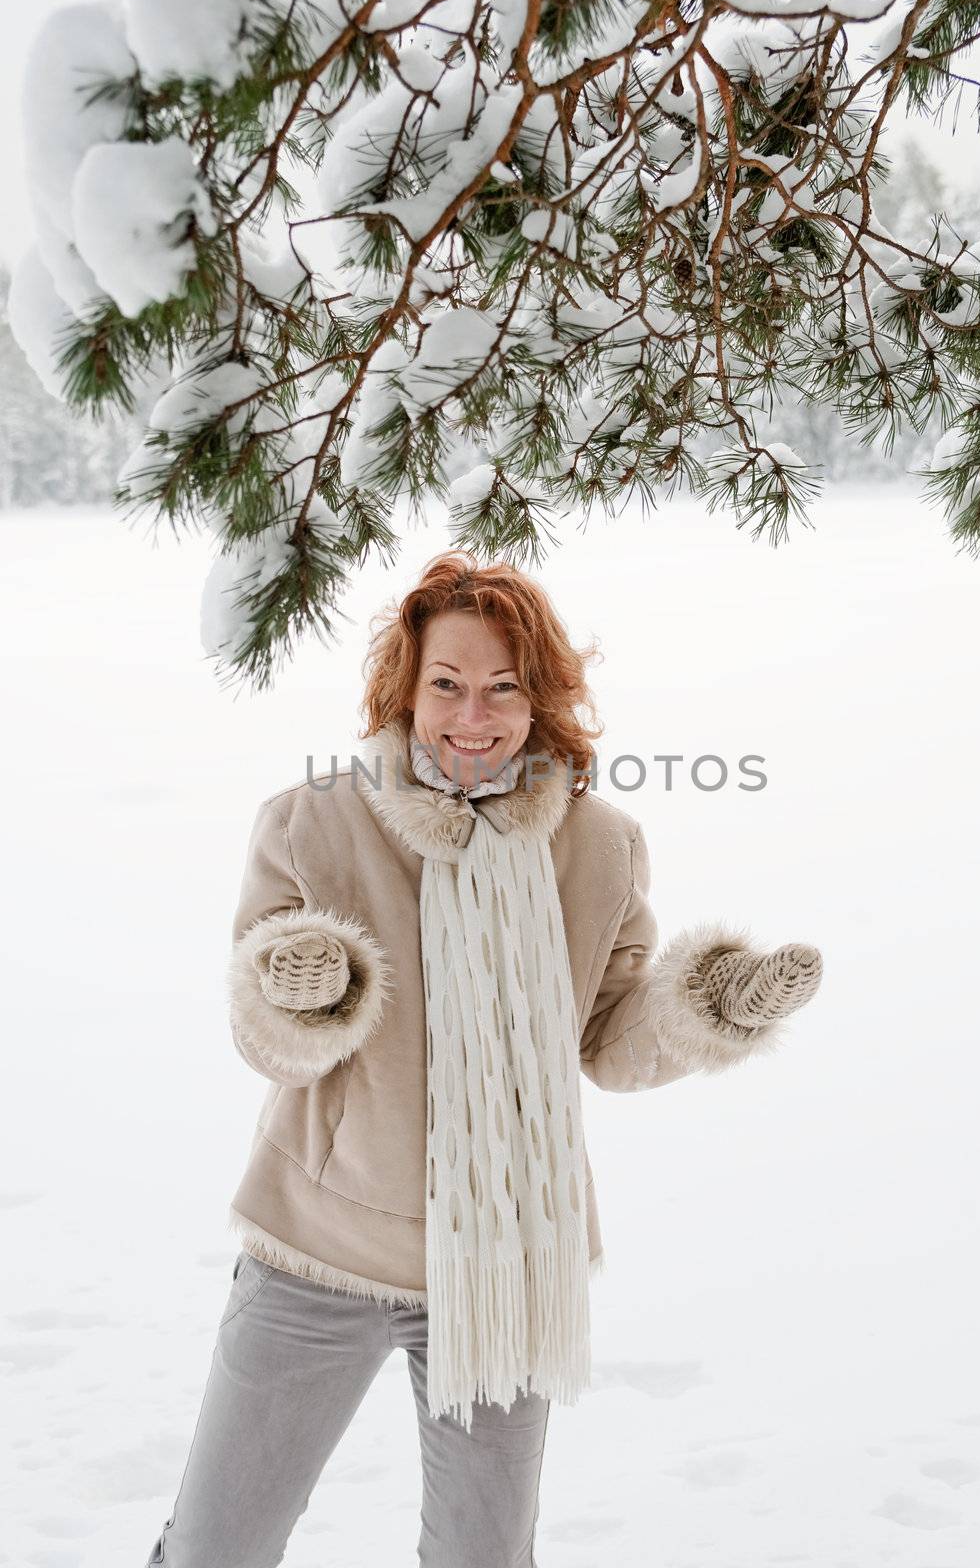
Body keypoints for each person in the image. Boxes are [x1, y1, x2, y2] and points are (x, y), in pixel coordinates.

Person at [145, 550, 823, 1568]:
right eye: (447, 685)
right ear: (405, 691)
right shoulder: (313, 823)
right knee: (217, 1546)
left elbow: (608, 1040)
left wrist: (705, 1005)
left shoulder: (600, 844)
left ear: (541, 696)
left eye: (504, 686)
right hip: (319, 1255)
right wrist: (302, 990)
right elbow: (266, 1046)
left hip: (511, 1259)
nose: (475, 716)